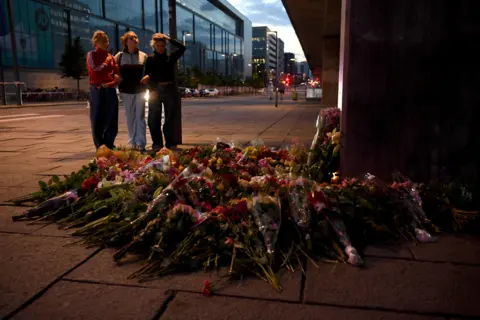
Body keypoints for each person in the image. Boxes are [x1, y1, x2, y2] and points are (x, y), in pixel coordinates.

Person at [141, 33, 186, 152]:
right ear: (154, 46)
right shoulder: (150, 59)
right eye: (158, 46)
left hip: (169, 90)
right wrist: (147, 78)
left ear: (165, 45)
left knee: (170, 118)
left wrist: (169, 38)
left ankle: (170, 143)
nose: (160, 48)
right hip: (155, 90)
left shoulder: (170, 57)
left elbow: (183, 48)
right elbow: (147, 73)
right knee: (153, 118)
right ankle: (157, 144)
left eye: (162, 45)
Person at [86, 30, 120, 150]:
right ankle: (100, 145)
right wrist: (106, 62)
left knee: (112, 118)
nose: (106, 43)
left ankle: (109, 144)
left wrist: (114, 81)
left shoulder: (111, 57)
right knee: (97, 118)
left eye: (107, 40)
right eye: (103, 41)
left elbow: (117, 74)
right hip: (98, 89)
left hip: (110, 89)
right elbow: (94, 70)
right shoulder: (92, 54)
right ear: (96, 42)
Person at [115, 31, 148, 151]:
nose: (134, 39)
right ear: (125, 42)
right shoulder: (119, 56)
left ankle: (141, 143)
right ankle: (132, 142)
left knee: (140, 116)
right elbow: (113, 71)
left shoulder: (143, 56)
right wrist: (116, 78)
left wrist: (147, 77)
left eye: (136, 37)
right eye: (131, 38)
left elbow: (148, 71)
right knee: (130, 117)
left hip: (140, 90)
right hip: (126, 90)